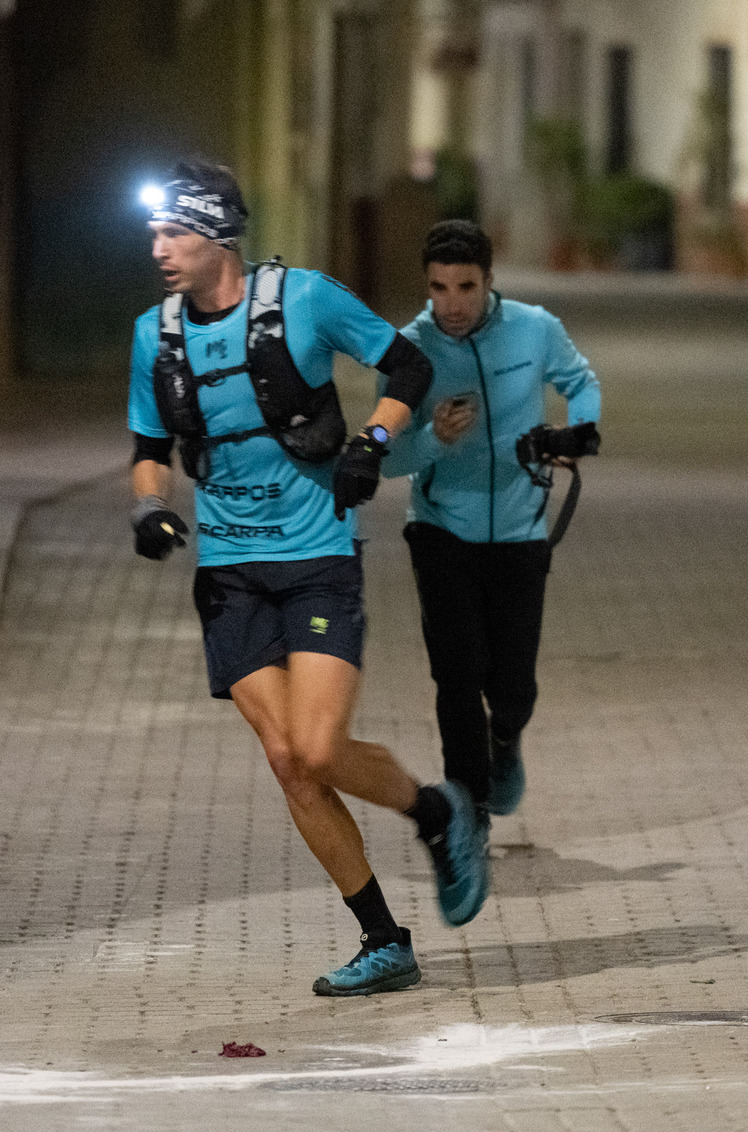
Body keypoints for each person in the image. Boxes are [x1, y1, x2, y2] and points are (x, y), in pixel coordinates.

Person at [127, 160, 491, 997]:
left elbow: (409, 368)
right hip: (229, 573)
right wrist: (149, 507)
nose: (159, 250)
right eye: (153, 234)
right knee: (290, 760)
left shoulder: (307, 300)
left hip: (316, 556)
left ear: (218, 235)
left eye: (173, 233)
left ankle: (437, 813)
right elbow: (150, 448)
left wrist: (372, 442)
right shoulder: (155, 334)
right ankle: (384, 939)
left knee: (322, 748)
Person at [381, 219, 601, 818]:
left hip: (520, 530)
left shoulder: (535, 328)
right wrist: (432, 438)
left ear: (489, 281)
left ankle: (505, 738)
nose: (452, 305)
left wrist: (575, 433)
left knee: (512, 689)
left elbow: (580, 381)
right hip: (440, 530)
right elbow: (387, 457)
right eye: (439, 288)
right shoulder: (408, 351)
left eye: (466, 287)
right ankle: (467, 815)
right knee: (456, 678)